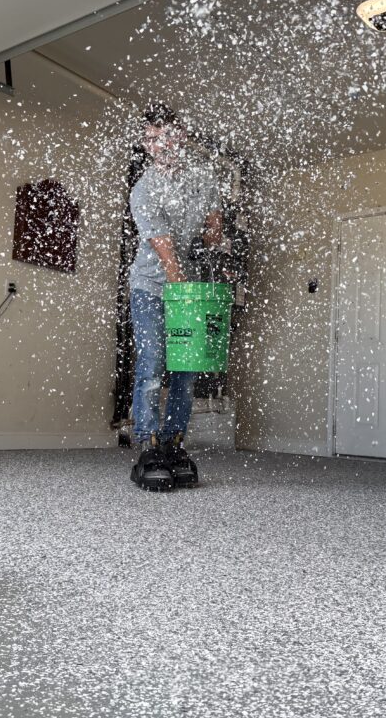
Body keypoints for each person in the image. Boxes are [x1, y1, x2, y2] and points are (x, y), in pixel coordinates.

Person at [128, 103, 222, 491]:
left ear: (179, 136)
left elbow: (213, 225)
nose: (154, 145)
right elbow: (167, 257)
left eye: (161, 135)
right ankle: (149, 445)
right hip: (152, 286)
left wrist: (214, 229)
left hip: (188, 287)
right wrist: (187, 299)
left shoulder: (204, 175)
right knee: (153, 362)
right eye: (148, 139)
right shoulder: (144, 189)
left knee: (185, 369)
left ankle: (174, 443)